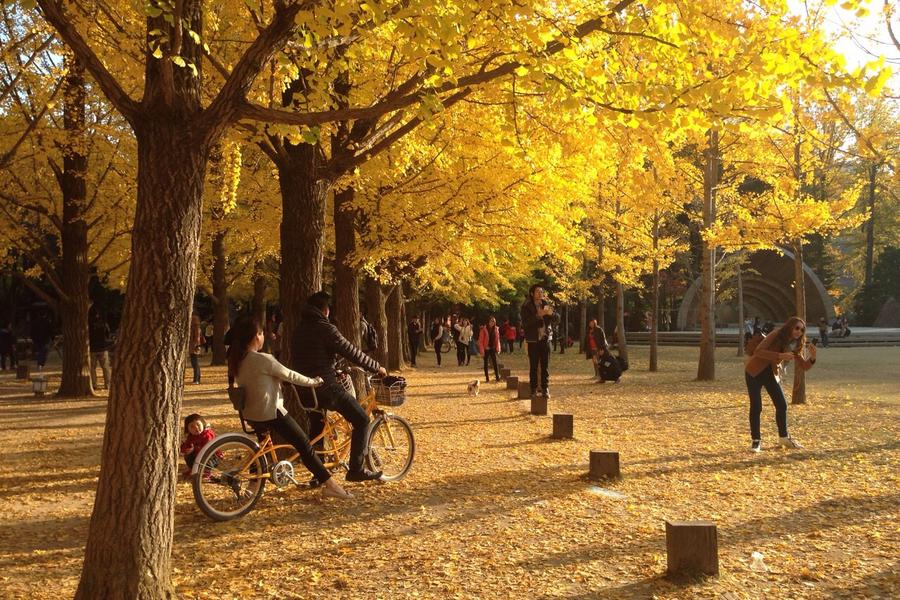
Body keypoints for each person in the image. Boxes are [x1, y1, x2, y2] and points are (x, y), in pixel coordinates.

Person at [229, 315, 352, 499]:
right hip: (271, 412)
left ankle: (253, 488)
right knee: (304, 446)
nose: (264, 336)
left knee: (261, 449)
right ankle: (330, 485)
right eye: (262, 333)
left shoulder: (237, 360)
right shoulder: (263, 359)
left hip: (250, 413)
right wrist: (314, 381)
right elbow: (291, 375)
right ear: (256, 336)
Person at [292, 291, 387, 482]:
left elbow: (310, 359)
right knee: (361, 420)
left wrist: (334, 368)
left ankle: (318, 474)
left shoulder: (299, 330)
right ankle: (356, 469)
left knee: (317, 429)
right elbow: (352, 352)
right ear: (325, 310)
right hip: (325, 388)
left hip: (304, 389)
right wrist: (377, 367)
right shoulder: (326, 328)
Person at [744, 316, 816, 452]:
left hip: (771, 374)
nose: (799, 332)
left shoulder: (794, 344)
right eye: (797, 328)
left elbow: (804, 366)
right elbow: (758, 351)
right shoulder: (775, 334)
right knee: (756, 407)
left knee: (781, 404)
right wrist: (780, 355)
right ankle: (756, 441)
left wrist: (812, 357)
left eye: (802, 330)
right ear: (790, 326)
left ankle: (783, 438)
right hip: (754, 372)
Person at [520, 284, 560, 399]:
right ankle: (533, 389)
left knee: (545, 366)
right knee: (533, 366)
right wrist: (538, 315)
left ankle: (545, 388)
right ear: (532, 293)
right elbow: (525, 323)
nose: (540, 293)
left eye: (541, 291)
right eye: (537, 291)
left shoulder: (546, 304)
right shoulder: (526, 306)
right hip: (533, 340)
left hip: (546, 339)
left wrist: (550, 314)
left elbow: (557, 318)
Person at [179, 413, 217, 477]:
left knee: (207, 458)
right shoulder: (191, 436)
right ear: (187, 429)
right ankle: (192, 469)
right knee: (188, 456)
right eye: (192, 426)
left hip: (212, 456)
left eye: (198, 425)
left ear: (203, 424)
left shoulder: (207, 434)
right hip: (198, 456)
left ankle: (206, 472)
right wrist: (185, 449)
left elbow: (208, 448)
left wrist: (195, 449)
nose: (196, 428)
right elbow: (186, 445)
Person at [88, 309, 112, 390]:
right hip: (103, 347)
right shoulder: (104, 324)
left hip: (92, 348)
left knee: (92, 368)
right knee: (105, 367)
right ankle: (108, 384)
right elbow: (108, 335)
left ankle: (94, 385)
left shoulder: (88, 325)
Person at [478, 316, 501, 383]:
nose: (492, 322)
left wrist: (498, 348)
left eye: (494, 321)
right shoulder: (484, 329)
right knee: (486, 363)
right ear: (488, 322)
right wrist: (482, 350)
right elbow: (481, 341)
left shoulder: (496, 329)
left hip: (493, 348)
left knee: (495, 363)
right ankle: (487, 378)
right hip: (486, 348)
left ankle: (497, 377)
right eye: (491, 321)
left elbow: (497, 340)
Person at [187, 313, 203, 384]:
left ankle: (196, 379)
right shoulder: (195, 327)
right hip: (193, 346)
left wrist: (196, 345)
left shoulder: (195, 328)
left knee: (195, 363)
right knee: (195, 363)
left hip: (194, 347)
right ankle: (197, 378)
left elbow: (197, 338)